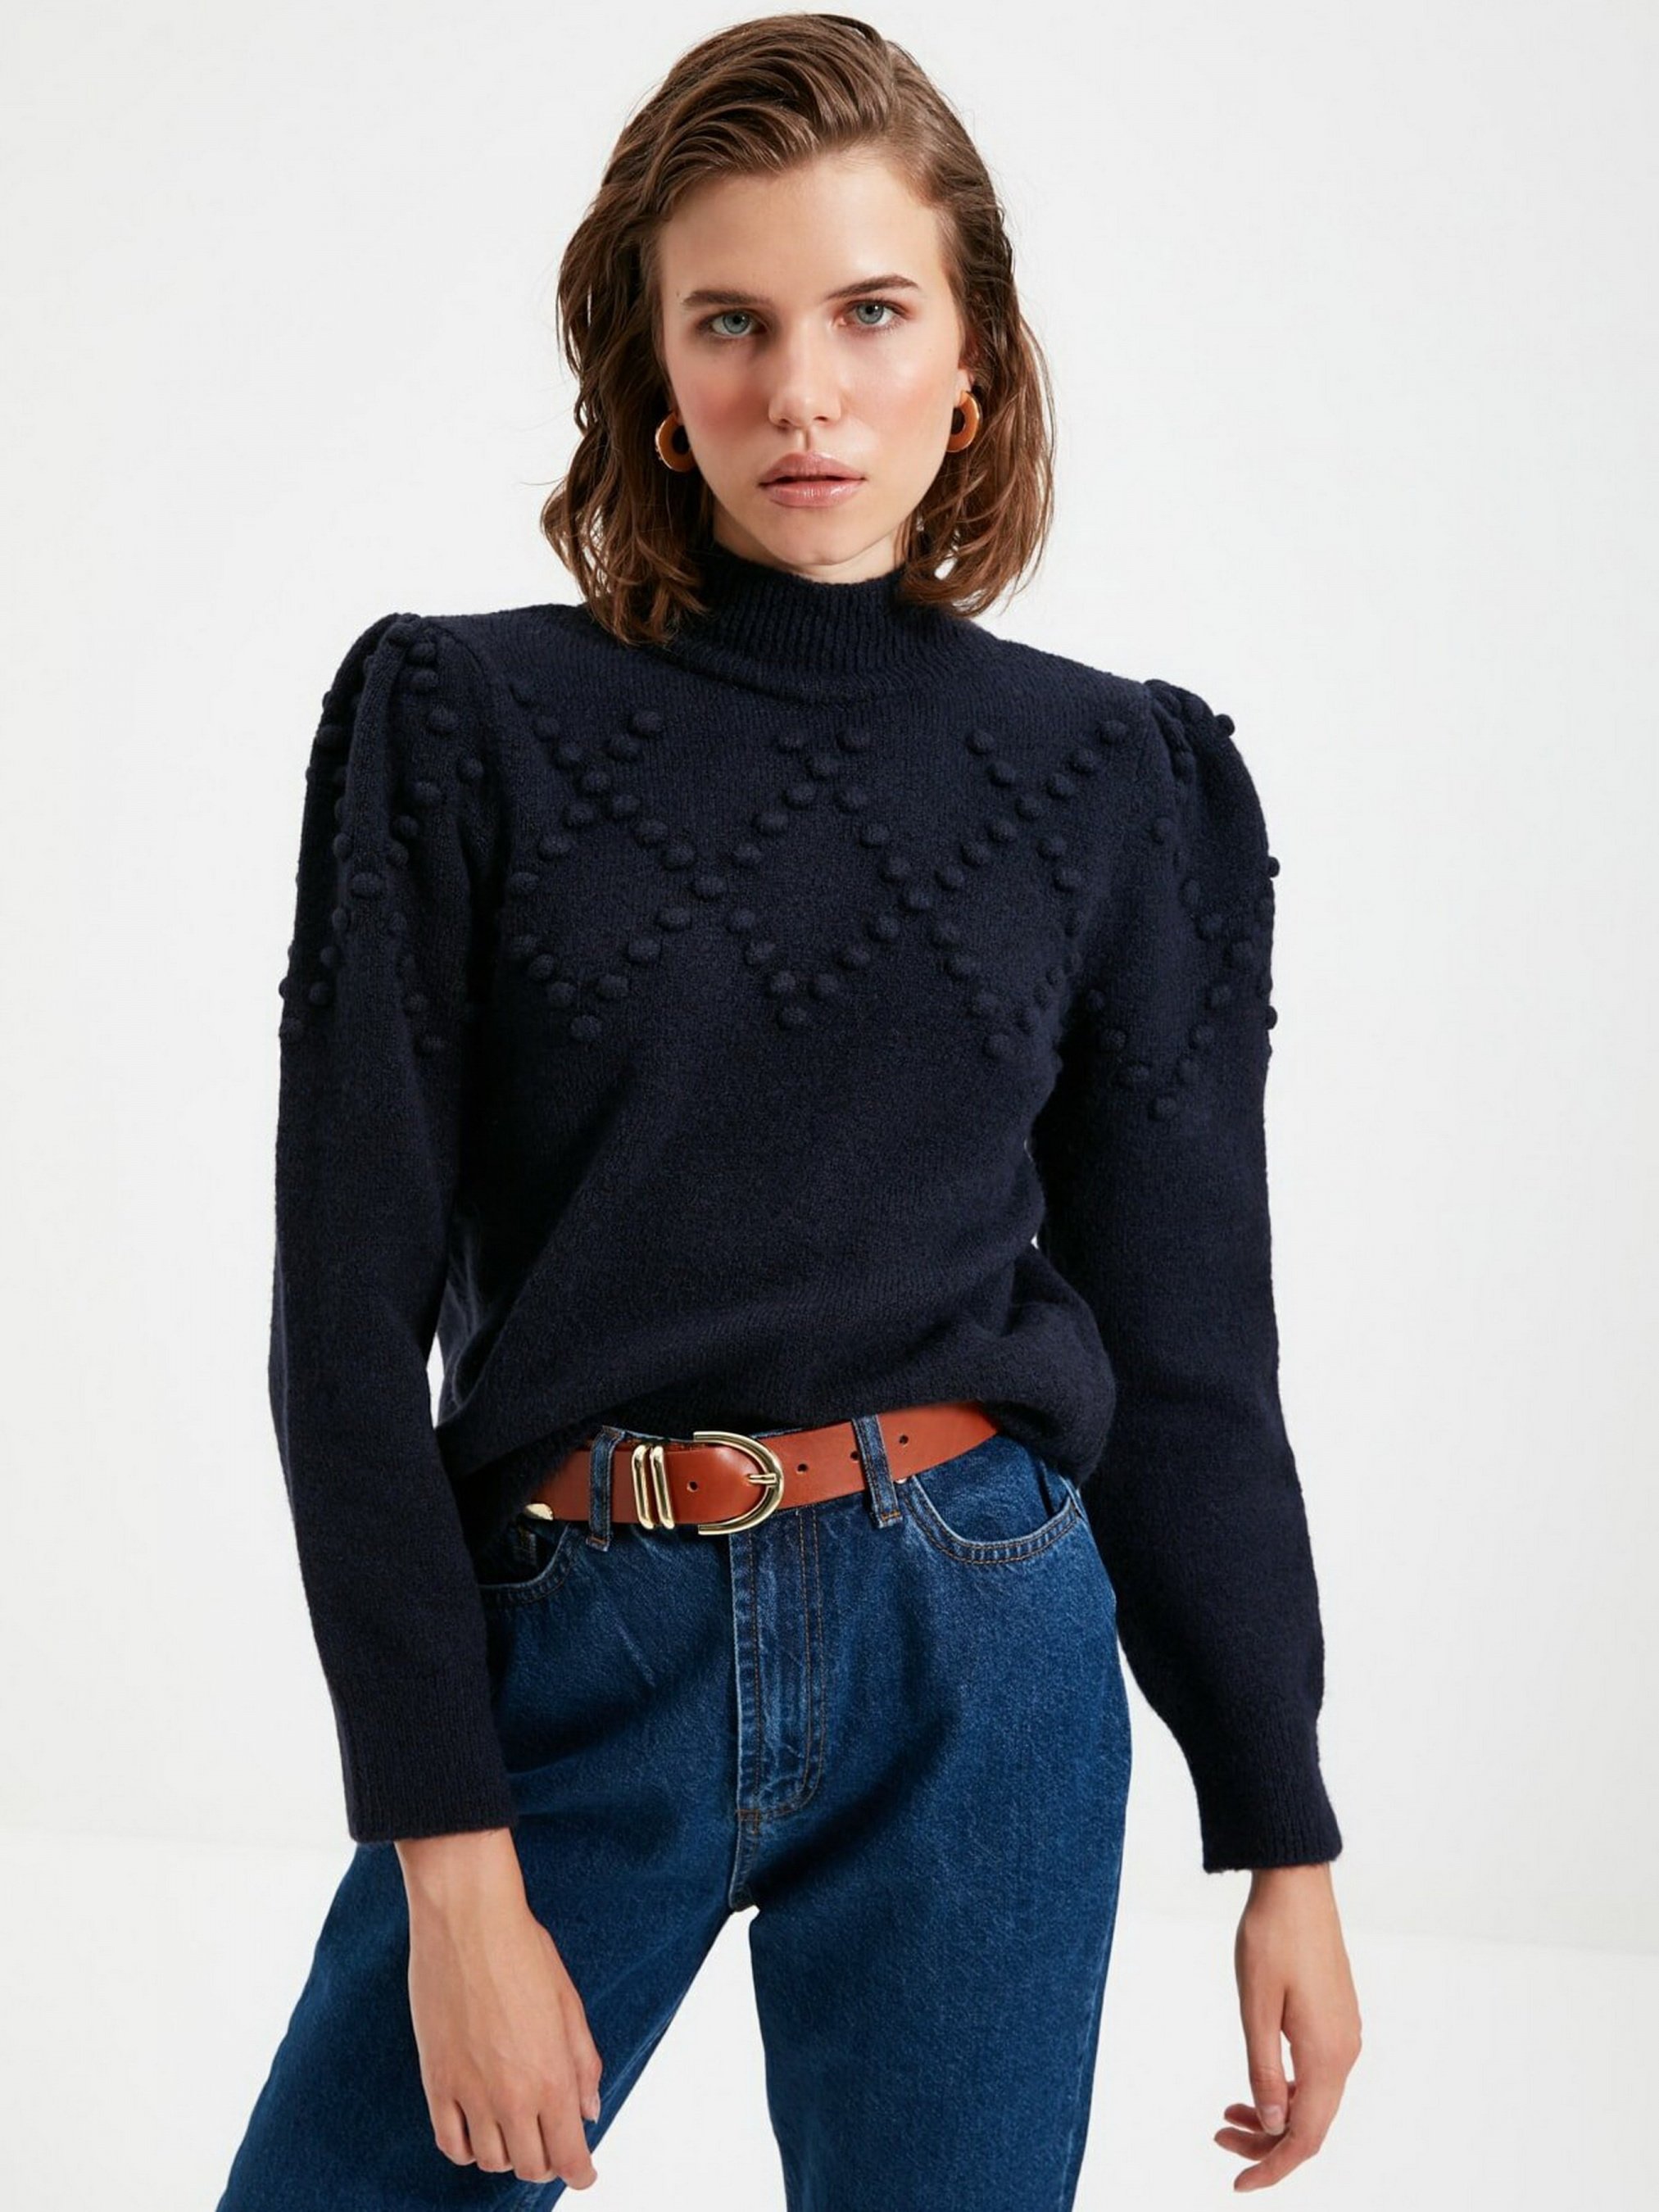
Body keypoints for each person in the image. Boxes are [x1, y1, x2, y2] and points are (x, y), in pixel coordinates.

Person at [217, 14, 1361, 2208]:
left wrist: (1280, 1830)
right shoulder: (459, 721)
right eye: (729, 322)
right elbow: (343, 1336)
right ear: (652, 371)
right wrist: (450, 1864)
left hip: (982, 1648)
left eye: (871, 313)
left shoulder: (1121, 778)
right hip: (585, 1629)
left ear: (974, 362)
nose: (804, 394)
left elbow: (1194, 1346)